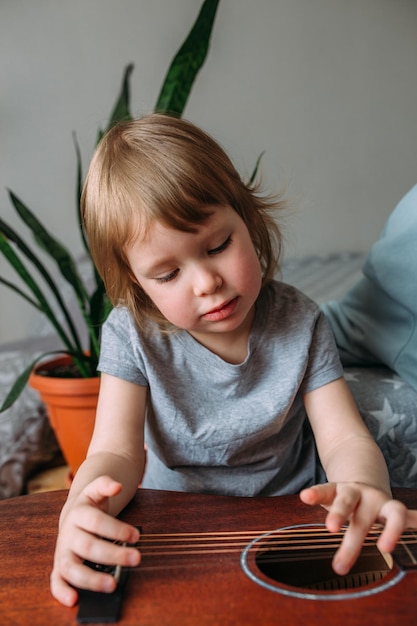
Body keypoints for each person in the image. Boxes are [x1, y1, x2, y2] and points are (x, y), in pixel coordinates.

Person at [50, 114, 417, 607]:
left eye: (218, 245)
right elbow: (115, 452)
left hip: (291, 520)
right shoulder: (130, 334)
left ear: (249, 219)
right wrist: (82, 506)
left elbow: (344, 437)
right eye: (167, 274)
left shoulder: (300, 321)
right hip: (177, 523)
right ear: (137, 283)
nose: (205, 283)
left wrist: (365, 488)